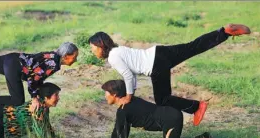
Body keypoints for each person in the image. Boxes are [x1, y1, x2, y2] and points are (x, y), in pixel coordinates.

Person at [89, 24, 251, 126]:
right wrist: (132, 92)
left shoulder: (113, 57)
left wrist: (129, 97)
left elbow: (128, 76)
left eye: (92, 48)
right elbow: (131, 74)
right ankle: (224, 32)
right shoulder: (119, 50)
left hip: (156, 65)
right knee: (193, 46)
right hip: (160, 53)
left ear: (100, 45)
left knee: (163, 100)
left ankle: (197, 107)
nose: (92, 51)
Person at [101, 80, 221, 138]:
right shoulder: (130, 102)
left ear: (115, 94)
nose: (105, 96)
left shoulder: (123, 110)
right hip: (171, 115)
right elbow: (124, 127)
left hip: (170, 119)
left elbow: (116, 131)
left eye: (106, 93)